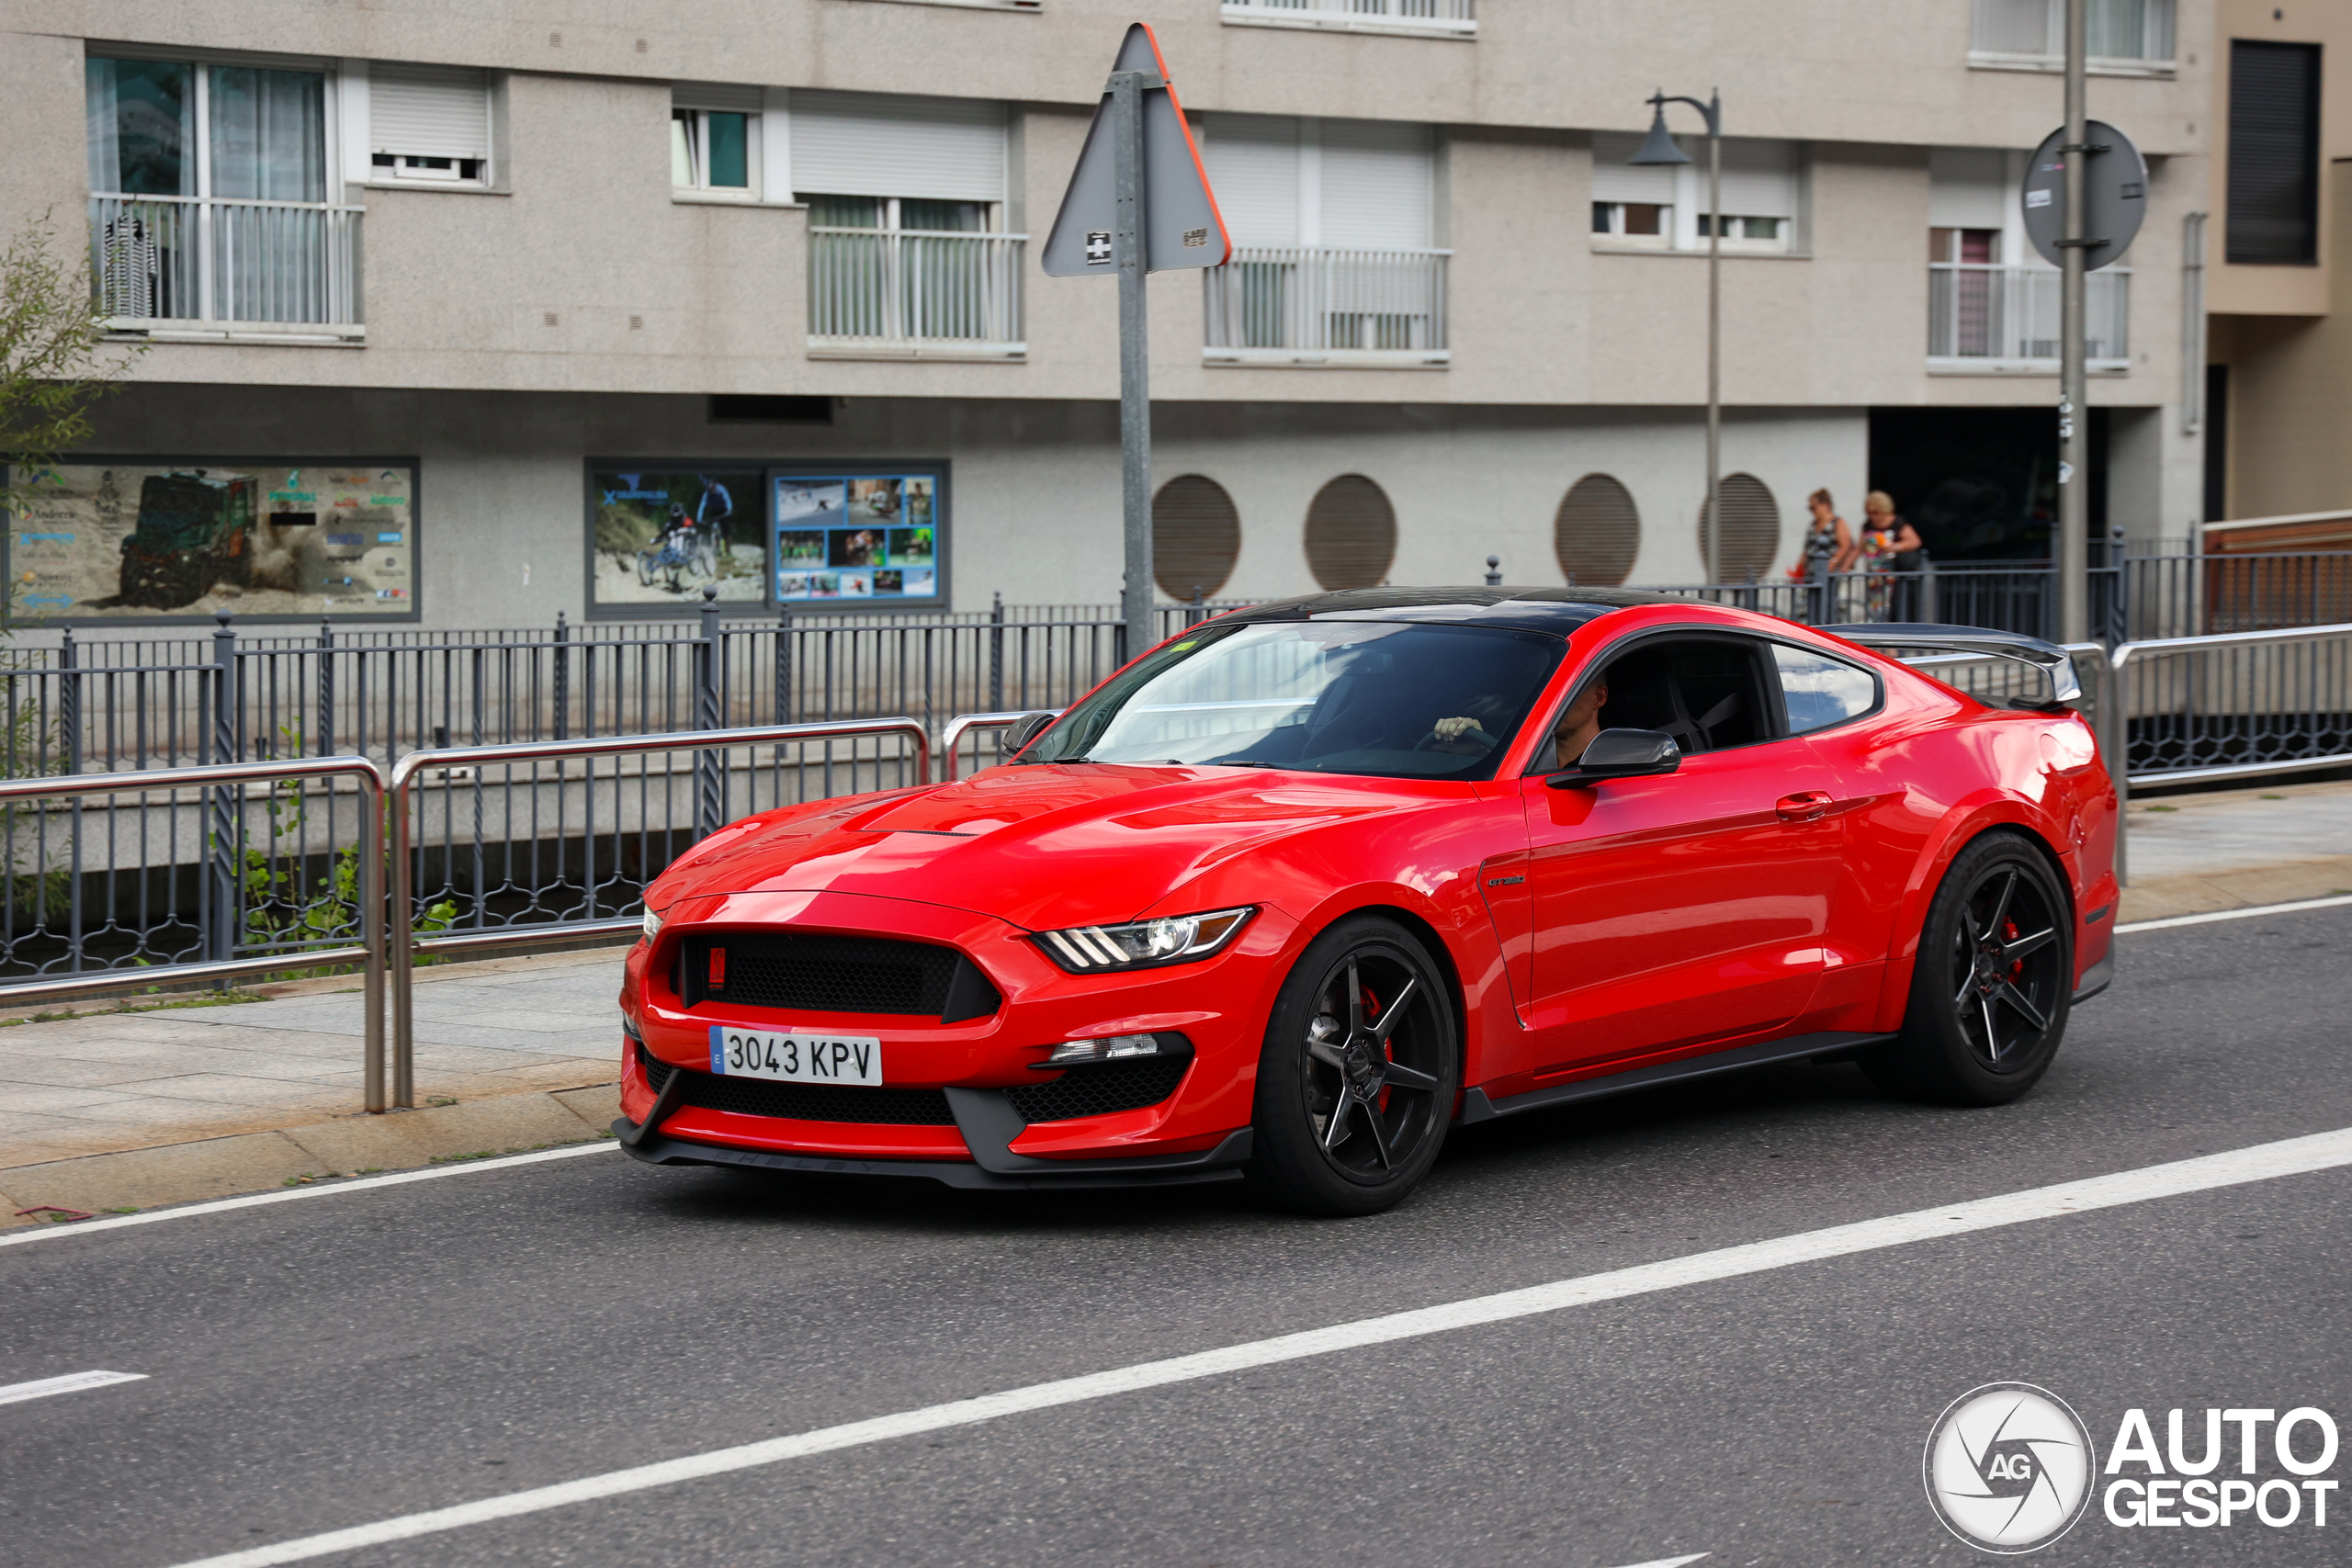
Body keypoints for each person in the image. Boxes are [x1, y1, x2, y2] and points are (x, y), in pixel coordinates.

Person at [1430, 676, 1609, 766]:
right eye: (1544, 692)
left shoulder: (1614, 765)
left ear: (1598, 698)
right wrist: (1482, 752)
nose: (1551, 702)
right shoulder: (1524, 760)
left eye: (1566, 692)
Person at [1791, 489, 1853, 581]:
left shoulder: (1838, 523)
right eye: (1810, 508)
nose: (1812, 511)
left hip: (1829, 574)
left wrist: (1831, 564)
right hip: (1811, 573)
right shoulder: (1813, 525)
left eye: (1814, 508)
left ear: (1825, 505)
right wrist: (1798, 570)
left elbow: (1845, 546)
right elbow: (1806, 549)